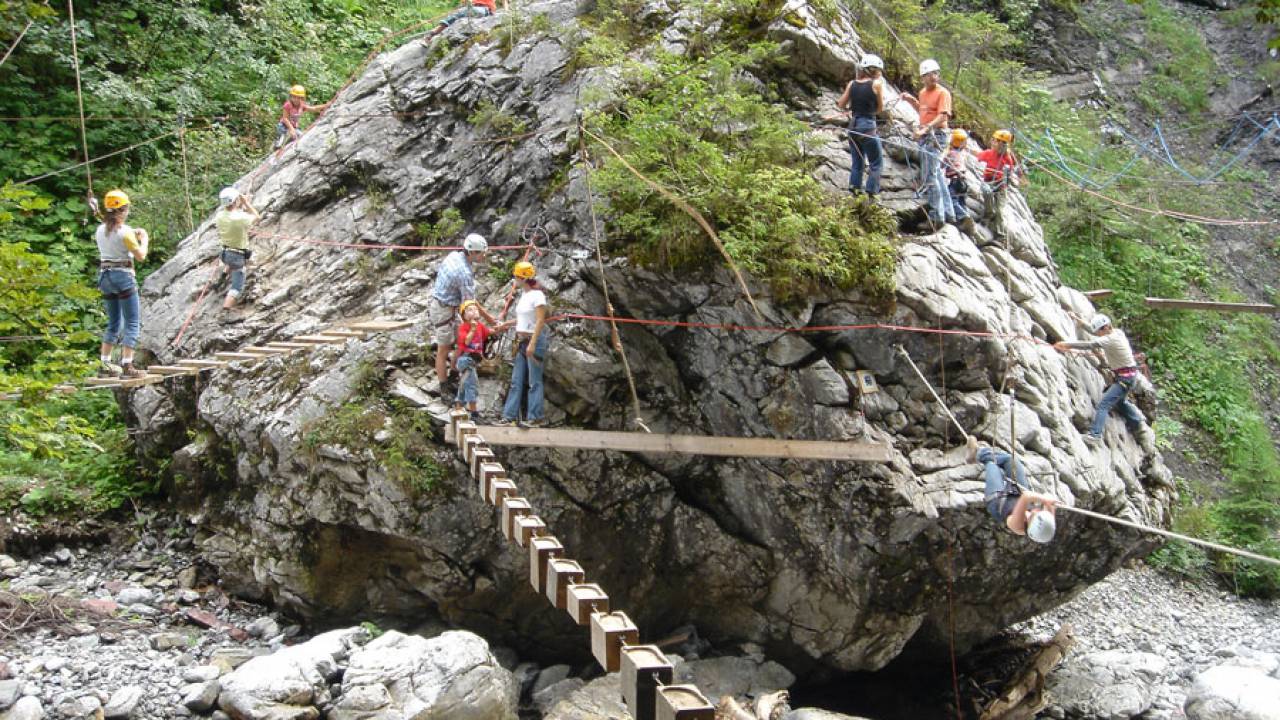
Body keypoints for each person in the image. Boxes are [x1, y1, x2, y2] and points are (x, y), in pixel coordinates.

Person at [1053, 314, 1150, 447]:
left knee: (1104, 404)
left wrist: (1067, 345)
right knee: (1119, 401)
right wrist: (1082, 322)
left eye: (1099, 331)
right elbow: (1096, 332)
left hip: (1124, 379)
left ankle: (1095, 435)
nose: (1098, 334)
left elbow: (1091, 344)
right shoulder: (1117, 332)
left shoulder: (1110, 339)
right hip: (1129, 376)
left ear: (1105, 328)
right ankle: (1137, 422)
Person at [94, 190, 150, 379]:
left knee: (113, 323)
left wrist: (132, 234)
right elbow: (141, 256)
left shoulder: (100, 230)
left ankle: (105, 364)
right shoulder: (125, 232)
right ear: (123, 210)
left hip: (105, 276)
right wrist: (145, 240)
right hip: (123, 276)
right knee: (132, 321)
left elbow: (114, 235)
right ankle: (127, 365)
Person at [431, 233, 495, 393]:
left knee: (461, 344)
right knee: (443, 349)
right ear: (472, 252)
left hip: (445, 304)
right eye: (481, 253)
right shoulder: (464, 273)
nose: (484, 255)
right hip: (443, 310)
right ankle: (444, 386)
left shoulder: (454, 255)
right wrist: (489, 320)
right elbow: (470, 305)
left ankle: (453, 374)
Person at [967, 436, 1057, 543]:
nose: (1036, 510)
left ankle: (977, 454)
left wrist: (1044, 499)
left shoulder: (1018, 526)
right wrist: (1050, 503)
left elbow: (1026, 497)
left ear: (1031, 523)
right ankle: (981, 453)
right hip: (1016, 493)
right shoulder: (1045, 522)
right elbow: (1050, 505)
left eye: (1036, 513)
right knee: (1011, 460)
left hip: (997, 500)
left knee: (992, 465)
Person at [899, 58, 956, 228]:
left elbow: (943, 116)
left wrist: (925, 129)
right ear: (923, 77)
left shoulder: (943, 93)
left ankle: (936, 217)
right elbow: (924, 111)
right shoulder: (923, 93)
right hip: (927, 134)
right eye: (929, 75)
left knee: (930, 176)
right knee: (936, 174)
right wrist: (911, 101)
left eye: (935, 74)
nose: (933, 77)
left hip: (936, 135)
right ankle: (949, 212)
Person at [496, 261, 549, 428]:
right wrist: (506, 324)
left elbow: (541, 320)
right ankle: (509, 416)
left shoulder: (537, 295)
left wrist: (532, 344)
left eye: (516, 276)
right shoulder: (524, 296)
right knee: (516, 380)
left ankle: (535, 417)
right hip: (521, 340)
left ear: (523, 278)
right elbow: (523, 319)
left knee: (534, 381)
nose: (514, 279)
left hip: (534, 340)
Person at [836, 53, 885, 197]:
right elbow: (880, 109)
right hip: (868, 127)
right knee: (876, 163)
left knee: (857, 162)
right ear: (874, 70)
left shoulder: (852, 84)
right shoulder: (877, 84)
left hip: (853, 126)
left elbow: (841, 104)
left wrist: (854, 107)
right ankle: (871, 193)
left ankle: (854, 190)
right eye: (878, 71)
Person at [215, 187, 260, 310]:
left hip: (224, 253)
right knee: (236, 288)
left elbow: (233, 214)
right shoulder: (240, 218)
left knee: (231, 262)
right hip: (236, 256)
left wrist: (240, 205)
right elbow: (256, 216)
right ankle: (225, 311)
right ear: (235, 201)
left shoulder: (220, 216)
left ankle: (222, 279)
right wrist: (246, 203)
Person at [975, 129, 1022, 234]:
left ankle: (1000, 233)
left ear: (1002, 144)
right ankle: (989, 212)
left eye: (995, 141)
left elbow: (1008, 174)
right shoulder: (989, 153)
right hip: (988, 182)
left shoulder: (1007, 158)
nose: (992, 142)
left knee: (1000, 211)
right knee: (986, 191)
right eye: (993, 140)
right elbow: (978, 156)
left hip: (1001, 186)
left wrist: (1008, 179)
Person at [453, 299, 491, 417]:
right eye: (470, 310)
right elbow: (466, 341)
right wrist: (473, 329)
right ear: (464, 316)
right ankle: (474, 412)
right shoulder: (463, 327)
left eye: (475, 309)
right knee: (471, 384)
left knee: (465, 384)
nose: (474, 311)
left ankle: (458, 408)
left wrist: (501, 327)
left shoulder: (480, 326)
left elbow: (488, 332)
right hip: (466, 358)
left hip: (473, 359)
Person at [274, 85, 329, 159]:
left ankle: (290, 150)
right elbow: (285, 119)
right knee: (281, 142)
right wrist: (291, 129)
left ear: (301, 98)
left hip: (294, 127)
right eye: (294, 97)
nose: (295, 99)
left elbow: (313, 108)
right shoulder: (288, 105)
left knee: (301, 137)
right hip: (283, 126)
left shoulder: (302, 105)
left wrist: (326, 105)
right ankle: (277, 149)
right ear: (291, 96)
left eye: (298, 97)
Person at [943, 128, 977, 235]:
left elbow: (941, 164)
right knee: (961, 201)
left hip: (955, 181)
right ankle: (966, 220)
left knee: (952, 199)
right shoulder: (963, 152)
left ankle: (963, 216)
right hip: (963, 182)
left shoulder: (950, 153)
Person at [426, 0, 506, 39]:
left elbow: (504, 1)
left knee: (467, 11)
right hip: (473, 7)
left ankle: (433, 33)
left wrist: (506, 12)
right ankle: (432, 34)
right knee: (456, 14)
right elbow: (464, 2)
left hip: (485, 9)